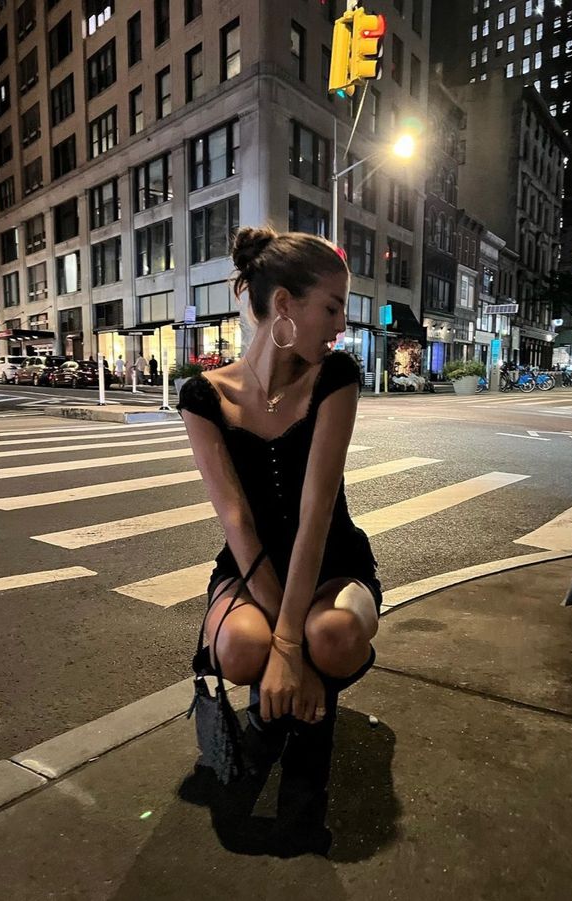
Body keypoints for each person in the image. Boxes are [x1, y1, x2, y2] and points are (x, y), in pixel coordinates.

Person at [177, 227, 381, 853]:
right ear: (286, 306)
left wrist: (296, 644)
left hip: (334, 564)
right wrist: (283, 647)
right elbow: (236, 522)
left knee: (332, 636)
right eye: (333, 306)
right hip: (248, 568)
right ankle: (291, 702)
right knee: (242, 650)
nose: (342, 324)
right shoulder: (203, 395)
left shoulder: (335, 378)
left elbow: (317, 514)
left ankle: (301, 765)